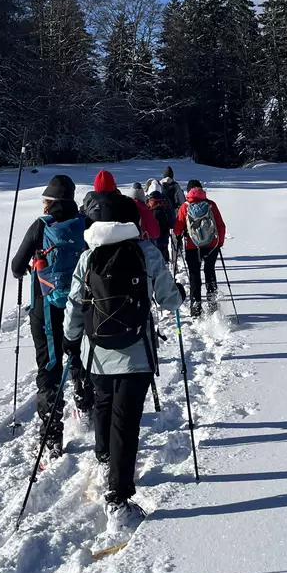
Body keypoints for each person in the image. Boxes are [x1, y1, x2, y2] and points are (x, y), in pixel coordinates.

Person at [64, 186, 184, 535]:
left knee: (103, 405)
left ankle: (105, 463)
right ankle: (118, 498)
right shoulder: (146, 252)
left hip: (97, 353)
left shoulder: (89, 256)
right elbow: (169, 300)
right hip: (137, 353)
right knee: (126, 421)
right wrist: (178, 292)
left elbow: (74, 304)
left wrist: (71, 339)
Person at [9, 174, 92, 457]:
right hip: (82, 305)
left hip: (45, 309)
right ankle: (85, 404)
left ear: (50, 201)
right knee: (80, 354)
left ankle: (51, 437)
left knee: (49, 365)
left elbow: (17, 267)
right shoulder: (87, 224)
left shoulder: (41, 226)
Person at [174, 179, 228, 318]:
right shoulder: (211, 205)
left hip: (193, 247)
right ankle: (213, 305)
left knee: (194, 277)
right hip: (211, 246)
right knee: (210, 272)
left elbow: (177, 230)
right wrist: (219, 243)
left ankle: (196, 308)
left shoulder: (185, 207)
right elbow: (221, 226)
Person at [142, 177, 175, 265]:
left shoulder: (147, 200)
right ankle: (165, 263)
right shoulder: (165, 199)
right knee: (163, 248)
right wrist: (172, 224)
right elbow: (171, 215)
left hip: (151, 232)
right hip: (164, 230)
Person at [157, 168, 182, 262]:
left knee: (164, 235)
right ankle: (177, 255)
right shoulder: (175, 186)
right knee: (176, 236)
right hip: (175, 213)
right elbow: (182, 200)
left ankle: (165, 255)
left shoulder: (159, 185)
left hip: (163, 214)